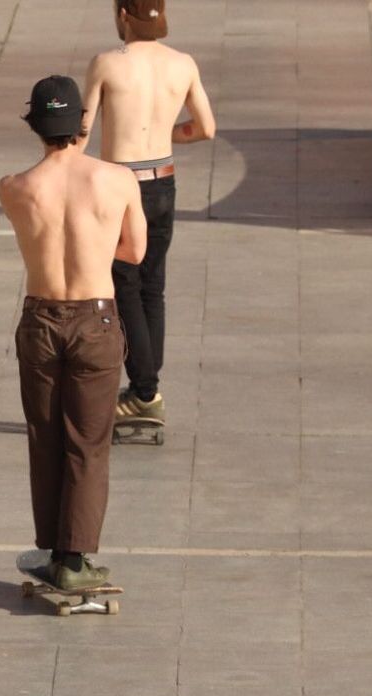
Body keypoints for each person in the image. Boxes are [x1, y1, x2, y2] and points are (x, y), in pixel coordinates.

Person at [0, 75, 146, 590]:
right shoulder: (118, 180)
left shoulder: (13, 187)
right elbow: (134, 252)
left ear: (36, 127)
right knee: (88, 442)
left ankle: (53, 549)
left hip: (40, 319)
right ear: (82, 123)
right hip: (95, 318)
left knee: (46, 438)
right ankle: (75, 559)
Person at [82, 0, 216, 430]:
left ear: (123, 15)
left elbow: (81, 134)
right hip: (163, 182)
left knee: (124, 286)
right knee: (152, 286)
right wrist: (166, 134)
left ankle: (145, 392)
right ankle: (147, 385)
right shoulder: (183, 64)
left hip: (123, 187)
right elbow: (205, 128)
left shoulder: (106, 63)